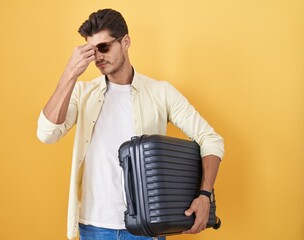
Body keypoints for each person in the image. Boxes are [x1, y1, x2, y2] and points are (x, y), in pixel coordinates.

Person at [37, 8, 224, 240]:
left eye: (104, 47)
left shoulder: (161, 92)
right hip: (93, 226)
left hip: (146, 227)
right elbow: (47, 134)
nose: (98, 57)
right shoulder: (81, 93)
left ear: (125, 42)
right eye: (91, 51)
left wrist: (204, 195)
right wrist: (70, 73)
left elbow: (211, 139)